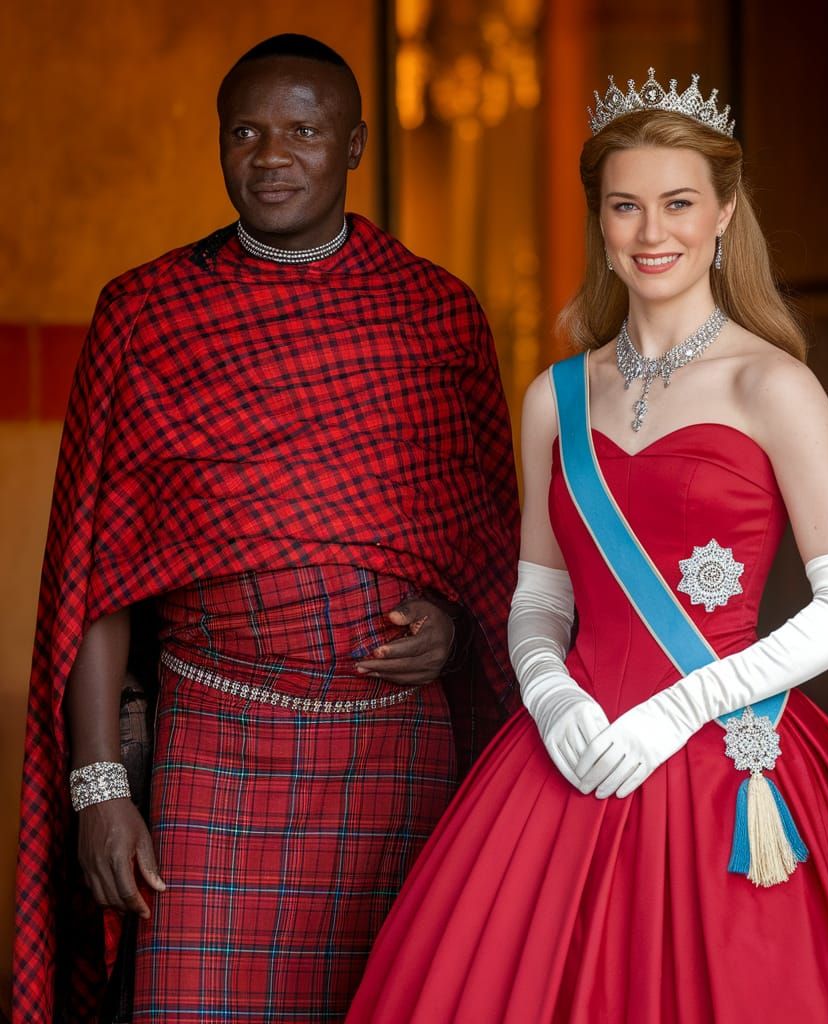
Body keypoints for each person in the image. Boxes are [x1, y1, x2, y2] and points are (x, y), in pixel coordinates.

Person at [347, 70, 828, 1022]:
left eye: (677, 204)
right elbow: (538, 598)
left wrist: (675, 714)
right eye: (626, 206)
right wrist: (549, 698)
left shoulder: (772, 385)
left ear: (724, 213)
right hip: (572, 754)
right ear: (601, 220)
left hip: (721, 757)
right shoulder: (554, 397)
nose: (651, 232)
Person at [13, 33, 519, 1024]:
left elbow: (491, 556)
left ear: (355, 144)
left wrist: (454, 629)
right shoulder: (148, 314)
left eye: (303, 130)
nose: (271, 155)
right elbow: (91, 577)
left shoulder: (436, 316)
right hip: (212, 753)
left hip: (396, 764)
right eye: (244, 131)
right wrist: (99, 787)